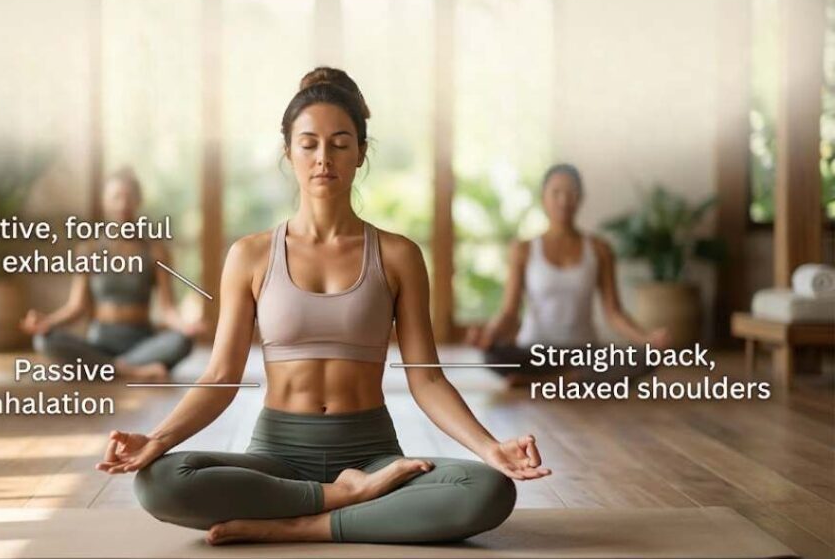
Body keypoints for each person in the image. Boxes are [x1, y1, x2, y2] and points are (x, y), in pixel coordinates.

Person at [95, 67, 550, 545]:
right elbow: (220, 377)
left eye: (340, 143)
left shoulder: (399, 255)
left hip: (373, 454)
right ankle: (343, 500)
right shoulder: (249, 255)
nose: (323, 158)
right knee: (161, 481)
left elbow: (427, 377)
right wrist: (159, 440)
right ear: (288, 152)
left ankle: (302, 522)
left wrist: (490, 447)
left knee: (487, 489)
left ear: (360, 154)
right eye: (308, 143)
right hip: (278, 456)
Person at [464, 164, 669, 385]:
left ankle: (545, 382)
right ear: (543, 198)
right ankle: (570, 381)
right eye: (556, 193)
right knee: (492, 355)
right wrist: (489, 334)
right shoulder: (523, 249)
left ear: (580, 198)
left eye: (571, 193)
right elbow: (509, 313)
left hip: (585, 353)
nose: (564, 200)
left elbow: (614, 313)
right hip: (534, 352)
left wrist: (648, 340)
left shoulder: (600, 249)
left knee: (645, 358)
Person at [21, 168, 203, 382]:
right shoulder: (88, 249)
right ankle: (130, 370)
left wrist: (185, 326)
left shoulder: (155, 250)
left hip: (141, 342)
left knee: (183, 341)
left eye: (129, 197)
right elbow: (76, 307)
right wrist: (48, 323)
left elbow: (167, 308)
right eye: (116, 197)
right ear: (105, 201)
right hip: (99, 341)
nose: (122, 204)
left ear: (138, 201)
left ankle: (104, 368)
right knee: (43, 341)